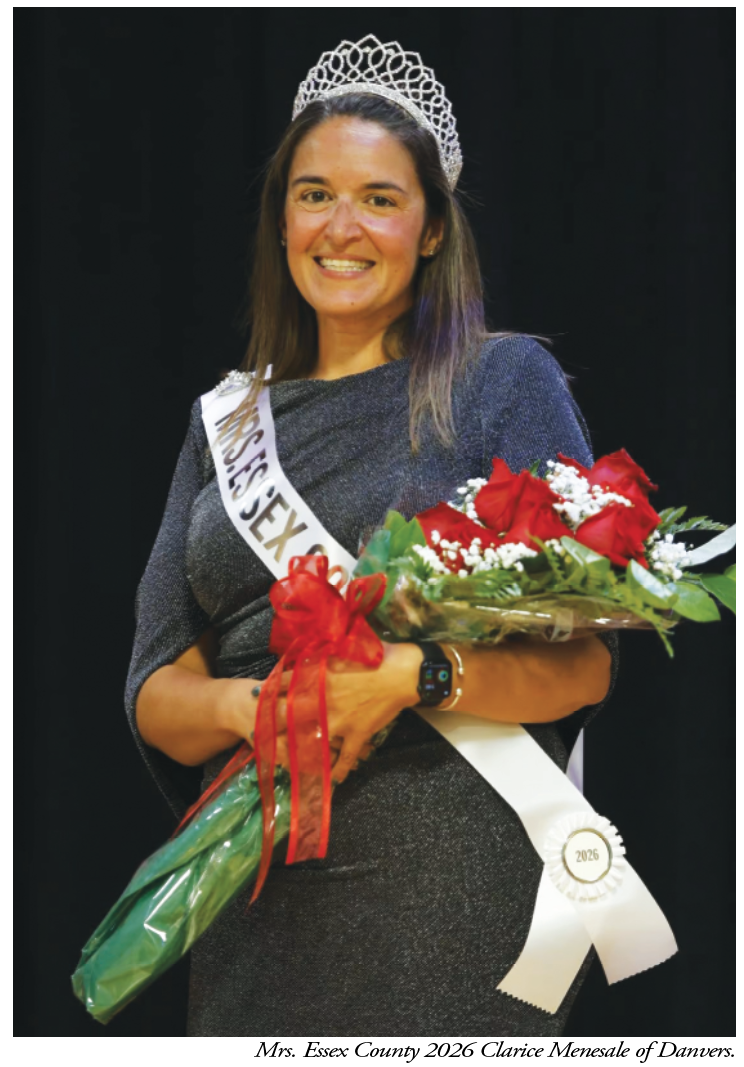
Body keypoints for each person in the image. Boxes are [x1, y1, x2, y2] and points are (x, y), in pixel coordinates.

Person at [126, 35, 616, 1037]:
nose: (340, 227)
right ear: (282, 218)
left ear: (431, 228)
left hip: (451, 892)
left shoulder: (502, 382)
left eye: (379, 199)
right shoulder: (223, 423)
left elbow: (586, 665)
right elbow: (154, 689)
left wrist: (409, 675)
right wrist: (254, 706)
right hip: (258, 895)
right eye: (314, 195)